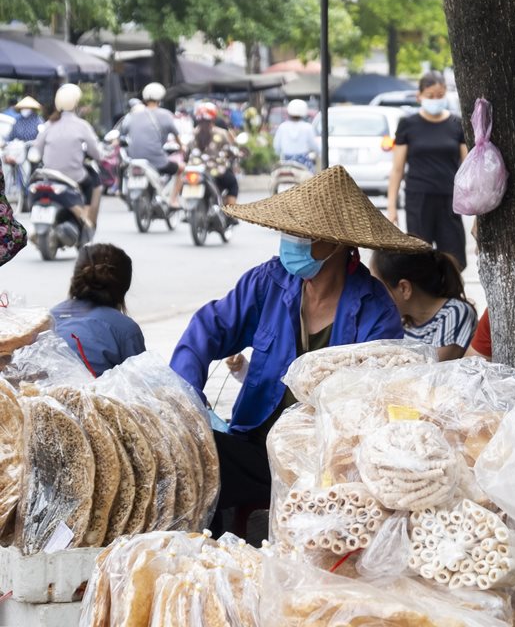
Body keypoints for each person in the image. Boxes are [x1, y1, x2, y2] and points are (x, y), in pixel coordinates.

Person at [170, 166, 429, 527]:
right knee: (186, 456)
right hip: (255, 445)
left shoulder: (375, 310)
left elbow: (376, 401)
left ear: (334, 242)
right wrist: (185, 401)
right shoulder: (269, 282)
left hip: (324, 462)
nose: (288, 240)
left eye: (299, 233)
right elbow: (207, 329)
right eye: (287, 232)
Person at [387, 71, 468, 269]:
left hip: (450, 199)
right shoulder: (408, 125)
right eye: (430, 96)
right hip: (418, 199)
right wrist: (391, 208)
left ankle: (451, 288)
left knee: (454, 257)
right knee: (420, 257)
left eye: (440, 95)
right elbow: (397, 169)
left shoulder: (457, 124)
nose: (435, 100)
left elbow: (468, 168)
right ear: (419, 96)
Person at [51, 243, 145, 375]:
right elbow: (141, 382)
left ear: (75, 278)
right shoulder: (125, 329)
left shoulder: (48, 319)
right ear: (124, 287)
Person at [370, 248, 477, 361]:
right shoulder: (404, 321)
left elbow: (432, 366)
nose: (373, 295)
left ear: (404, 288)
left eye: (378, 288)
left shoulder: (454, 313)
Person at [33, 84, 102, 230]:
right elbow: (96, 152)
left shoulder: (48, 125)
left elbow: (36, 150)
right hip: (74, 176)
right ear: (76, 103)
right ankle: (87, 219)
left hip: (50, 175)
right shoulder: (82, 125)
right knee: (92, 183)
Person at [120, 82, 185, 208]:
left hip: (134, 158)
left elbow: (124, 130)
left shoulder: (132, 115)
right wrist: (182, 148)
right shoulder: (166, 115)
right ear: (160, 99)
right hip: (156, 159)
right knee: (182, 168)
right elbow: (177, 135)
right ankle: (173, 200)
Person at [188, 102, 239, 206]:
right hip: (215, 171)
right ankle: (230, 211)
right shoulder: (221, 133)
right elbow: (230, 150)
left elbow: (186, 152)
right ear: (213, 118)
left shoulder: (192, 134)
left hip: (195, 170)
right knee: (233, 184)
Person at [273, 99, 318, 169]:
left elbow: (276, 147)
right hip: (303, 164)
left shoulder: (282, 127)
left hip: (286, 163)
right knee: (313, 175)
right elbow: (314, 145)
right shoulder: (308, 127)